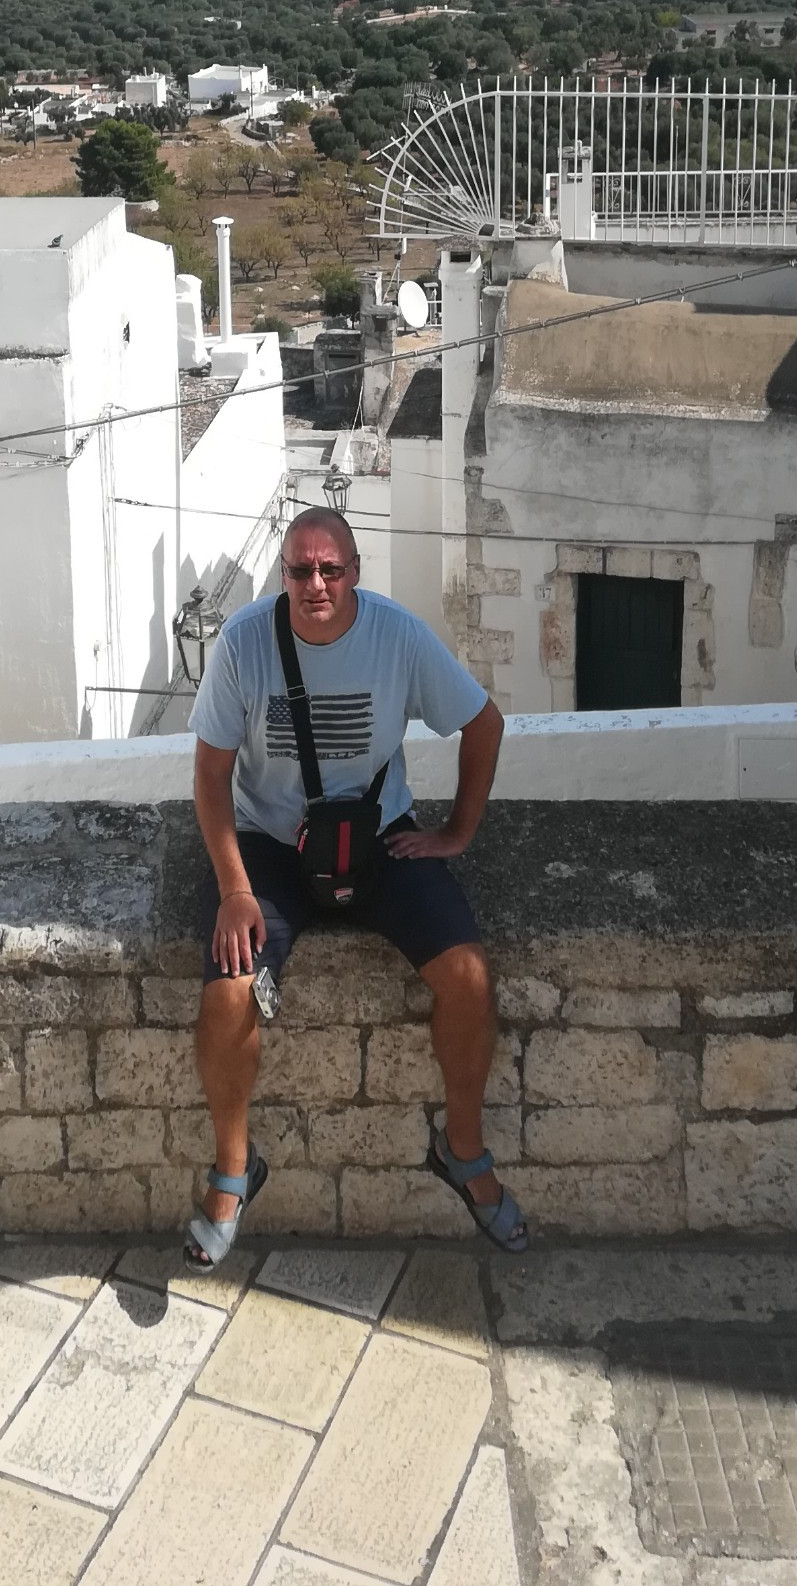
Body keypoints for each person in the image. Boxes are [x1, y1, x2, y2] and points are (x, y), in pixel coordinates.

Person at [182, 505, 527, 1267]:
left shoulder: (395, 635)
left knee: (467, 978)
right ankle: (235, 1170)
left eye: (329, 569)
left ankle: (461, 1151)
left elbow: (484, 724)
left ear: (354, 573)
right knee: (228, 988)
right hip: (272, 847)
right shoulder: (244, 643)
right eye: (300, 570)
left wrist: (456, 833)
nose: (315, 584)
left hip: (374, 841)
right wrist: (236, 888)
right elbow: (209, 776)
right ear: (283, 577)